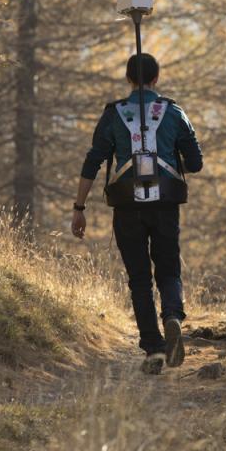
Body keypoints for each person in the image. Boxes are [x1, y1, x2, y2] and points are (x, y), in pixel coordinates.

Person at [71, 53, 203, 374]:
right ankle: (172, 315)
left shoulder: (113, 114)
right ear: (156, 78)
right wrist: (169, 164)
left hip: (127, 205)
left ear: (128, 79)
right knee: (168, 269)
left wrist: (79, 208)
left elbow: (93, 161)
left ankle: (154, 350)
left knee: (139, 279)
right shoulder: (174, 112)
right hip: (166, 204)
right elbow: (196, 162)